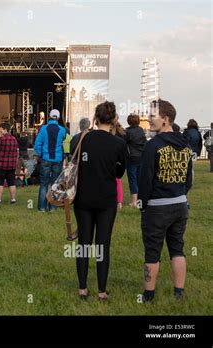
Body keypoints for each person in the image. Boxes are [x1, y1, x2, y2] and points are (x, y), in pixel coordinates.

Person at [138, 99, 193, 302]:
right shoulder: (185, 145)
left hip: (157, 207)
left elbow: (145, 179)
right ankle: (179, 293)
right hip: (180, 204)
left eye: (153, 116)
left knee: (152, 252)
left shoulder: (153, 146)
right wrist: (180, 193)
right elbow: (189, 179)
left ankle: (148, 295)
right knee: (177, 248)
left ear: (166, 119)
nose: (149, 120)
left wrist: (143, 204)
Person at [74, 101, 127, 301]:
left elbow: (75, 163)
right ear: (114, 119)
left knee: (84, 243)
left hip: (83, 198)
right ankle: (102, 290)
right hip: (106, 200)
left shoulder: (81, 139)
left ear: (95, 118)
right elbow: (119, 173)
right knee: (103, 245)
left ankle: (82, 288)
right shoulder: (119, 144)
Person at [34, 109, 66, 212]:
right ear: (58, 117)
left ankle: (42, 208)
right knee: (55, 183)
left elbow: (37, 144)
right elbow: (63, 142)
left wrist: (41, 154)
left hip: (46, 159)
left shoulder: (43, 129)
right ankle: (52, 207)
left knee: (43, 184)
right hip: (57, 159)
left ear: (50, 116)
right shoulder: (62, 130)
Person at [0, 122, 18, 204]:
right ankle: (13, 199)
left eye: (0, 129)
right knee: (11, 182)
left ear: (5, 129)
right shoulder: (14, 139)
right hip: (11, 165)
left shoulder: (2, 139)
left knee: (0, 182)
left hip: (1, 165)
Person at [125, 114, 147, 207]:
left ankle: (134, 201)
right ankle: (139, 200)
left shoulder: (127, 132)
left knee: (132, 179)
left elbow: (124, 143)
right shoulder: (141, 130)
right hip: (141, 156)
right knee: (139, 178)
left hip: (132, 157)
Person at [112, 121, 126, 209]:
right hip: (119, 160)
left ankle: (118, 201)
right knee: (118, 182)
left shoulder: (113, 135)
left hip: (112, 159)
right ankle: (119, 202)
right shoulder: (122, 133)